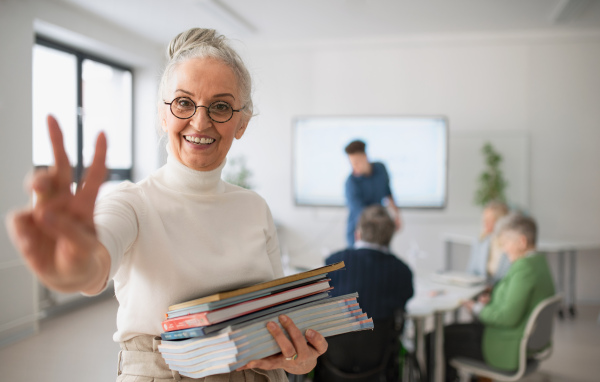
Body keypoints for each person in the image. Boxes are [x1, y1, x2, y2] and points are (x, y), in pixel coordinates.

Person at [6, 28, 327, 382]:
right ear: (163, 114)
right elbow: (93, 265)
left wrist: (299, 359)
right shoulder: (131, 203)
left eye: (220, 106)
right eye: (184, 102)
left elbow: (278, 324)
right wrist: (71, 264)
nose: (200, 121)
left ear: (241, 123)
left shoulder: (255, 208)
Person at [427, 212, 555, 382]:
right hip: (514, 337)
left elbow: (507, 317)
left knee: (434, 339)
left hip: (505, 346)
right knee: (449, 331)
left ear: (522, 242)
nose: (504, 249)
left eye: (506, 243)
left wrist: (477, 308)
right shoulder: (539, 262)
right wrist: (491, 300)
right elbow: (515, 301)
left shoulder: (524, 269)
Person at [326, 204, 413, 319]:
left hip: (337, 335)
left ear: (358, 234)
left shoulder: (333, 263)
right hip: (384, 336)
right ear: (390, 236)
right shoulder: (402, 271)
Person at [344, 140, 401, 247]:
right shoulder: (351, 183)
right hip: (359, 231)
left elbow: (388, 193)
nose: (354, 167)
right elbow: (361, 213)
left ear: (365, 156)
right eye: (351, 163)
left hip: (380, 230)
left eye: (356, 162)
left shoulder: (381, 169)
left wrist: (397, 215)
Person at [466, 200, 511, 286]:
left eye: (490, 220)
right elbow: (471, 272)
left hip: (502, 293)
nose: (485, 223)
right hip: (480, 291)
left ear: (501, 221)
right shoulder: (479, 241)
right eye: (484, 219)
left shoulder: (510, 244)